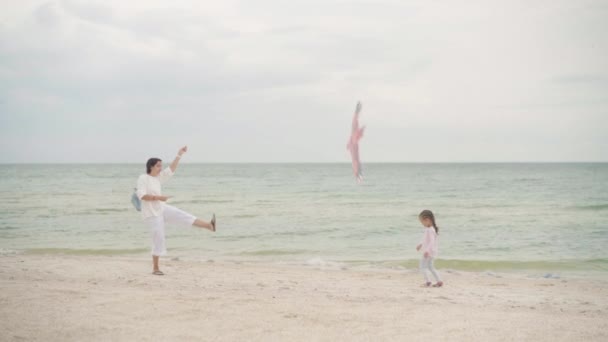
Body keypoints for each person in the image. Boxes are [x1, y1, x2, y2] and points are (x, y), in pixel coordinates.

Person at [136, 146, 216, 275]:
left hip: (161, 208)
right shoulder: (143, 178)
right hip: (151, 213)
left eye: (161, 166)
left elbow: (171, 169)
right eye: (158, 166)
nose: (160, 168)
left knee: (182, 215)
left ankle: (209, 226)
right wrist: (159, 197)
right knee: (159, 237)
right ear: (151, 166)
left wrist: (179, 155)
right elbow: (142, 196)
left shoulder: (158, 178)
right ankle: (155, 268)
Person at [416, 209, 443, 287]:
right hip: (432, 251)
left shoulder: (430, 230)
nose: (422, 224)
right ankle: (439, 281)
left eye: (422, 222)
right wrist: (420, 244)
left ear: (427, 220)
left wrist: (427, 250)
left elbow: (432, 241)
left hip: (429, 252)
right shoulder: (429, 229)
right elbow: (425, 240)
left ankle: (428, 282)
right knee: (430, 267)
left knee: (422, 266)